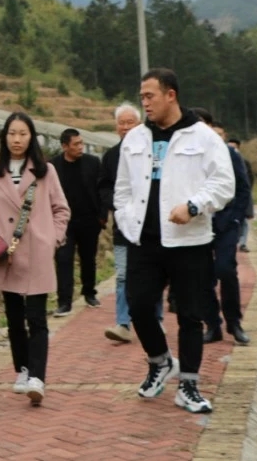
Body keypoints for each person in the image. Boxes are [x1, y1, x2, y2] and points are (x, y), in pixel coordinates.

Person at [114, 68, 234, 414]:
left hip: (189, 240)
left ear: (171, 95)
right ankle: (160, 361)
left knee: (190, 315)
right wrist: (125, 218)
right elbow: (122, 189)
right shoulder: (134, 138)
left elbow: (224, 184)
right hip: (144, 241)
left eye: (150, 96)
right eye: (142, 97)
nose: (144, 103)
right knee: (138, 305)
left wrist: (194, 206)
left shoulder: (203, 137)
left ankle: (190, 386)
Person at [0, 112, 71, 407]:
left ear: (32, 138)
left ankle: (38, 378)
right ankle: (23, 369)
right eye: (12, 133)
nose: (17, 139)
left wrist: (52, 238)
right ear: (4, 137)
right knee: (15, 317)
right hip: (7, 255)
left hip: (38, 253)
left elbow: (61, 209)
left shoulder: (46, 172)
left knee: (37, 318)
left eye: (23, 134)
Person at [98, 102, 160, 343]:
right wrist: (118, 207)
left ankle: (157, 320)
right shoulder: (111, 156)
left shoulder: (152, 150)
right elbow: (103, 187)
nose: (125, 127)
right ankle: (123, 323)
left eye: (129, 122)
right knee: (123, 275)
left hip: (151, 227)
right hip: (123, 226)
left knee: (153, 274)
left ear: (139, 125)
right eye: (121, 123)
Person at [195, 114, 252, 346]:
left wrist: (236, 218)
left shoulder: (228, 154)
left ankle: (234, 322)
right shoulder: (188, 157)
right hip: (197, 223)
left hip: (226, 222)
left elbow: (243, 188)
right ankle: (212, 323)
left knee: (226, 270)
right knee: (201, 275)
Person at [51, 128, 106, 315]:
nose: (80, 147)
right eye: (76, 144)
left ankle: (89, 292)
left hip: (89, 220)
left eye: (81, 143)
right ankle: (64, 301)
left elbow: (101, 190)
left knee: (88, 259)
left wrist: (102, 216)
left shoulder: (93, 163)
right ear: (65, 146)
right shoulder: (53, 167)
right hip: (64, 222)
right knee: (63, 260)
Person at [229, 138, 256, 252]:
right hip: (228, 196)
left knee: (244, 220)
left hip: (240, 196)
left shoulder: (244, 162)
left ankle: (243, 243)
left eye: (233, 147)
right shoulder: (221, 160)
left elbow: (249, 180)